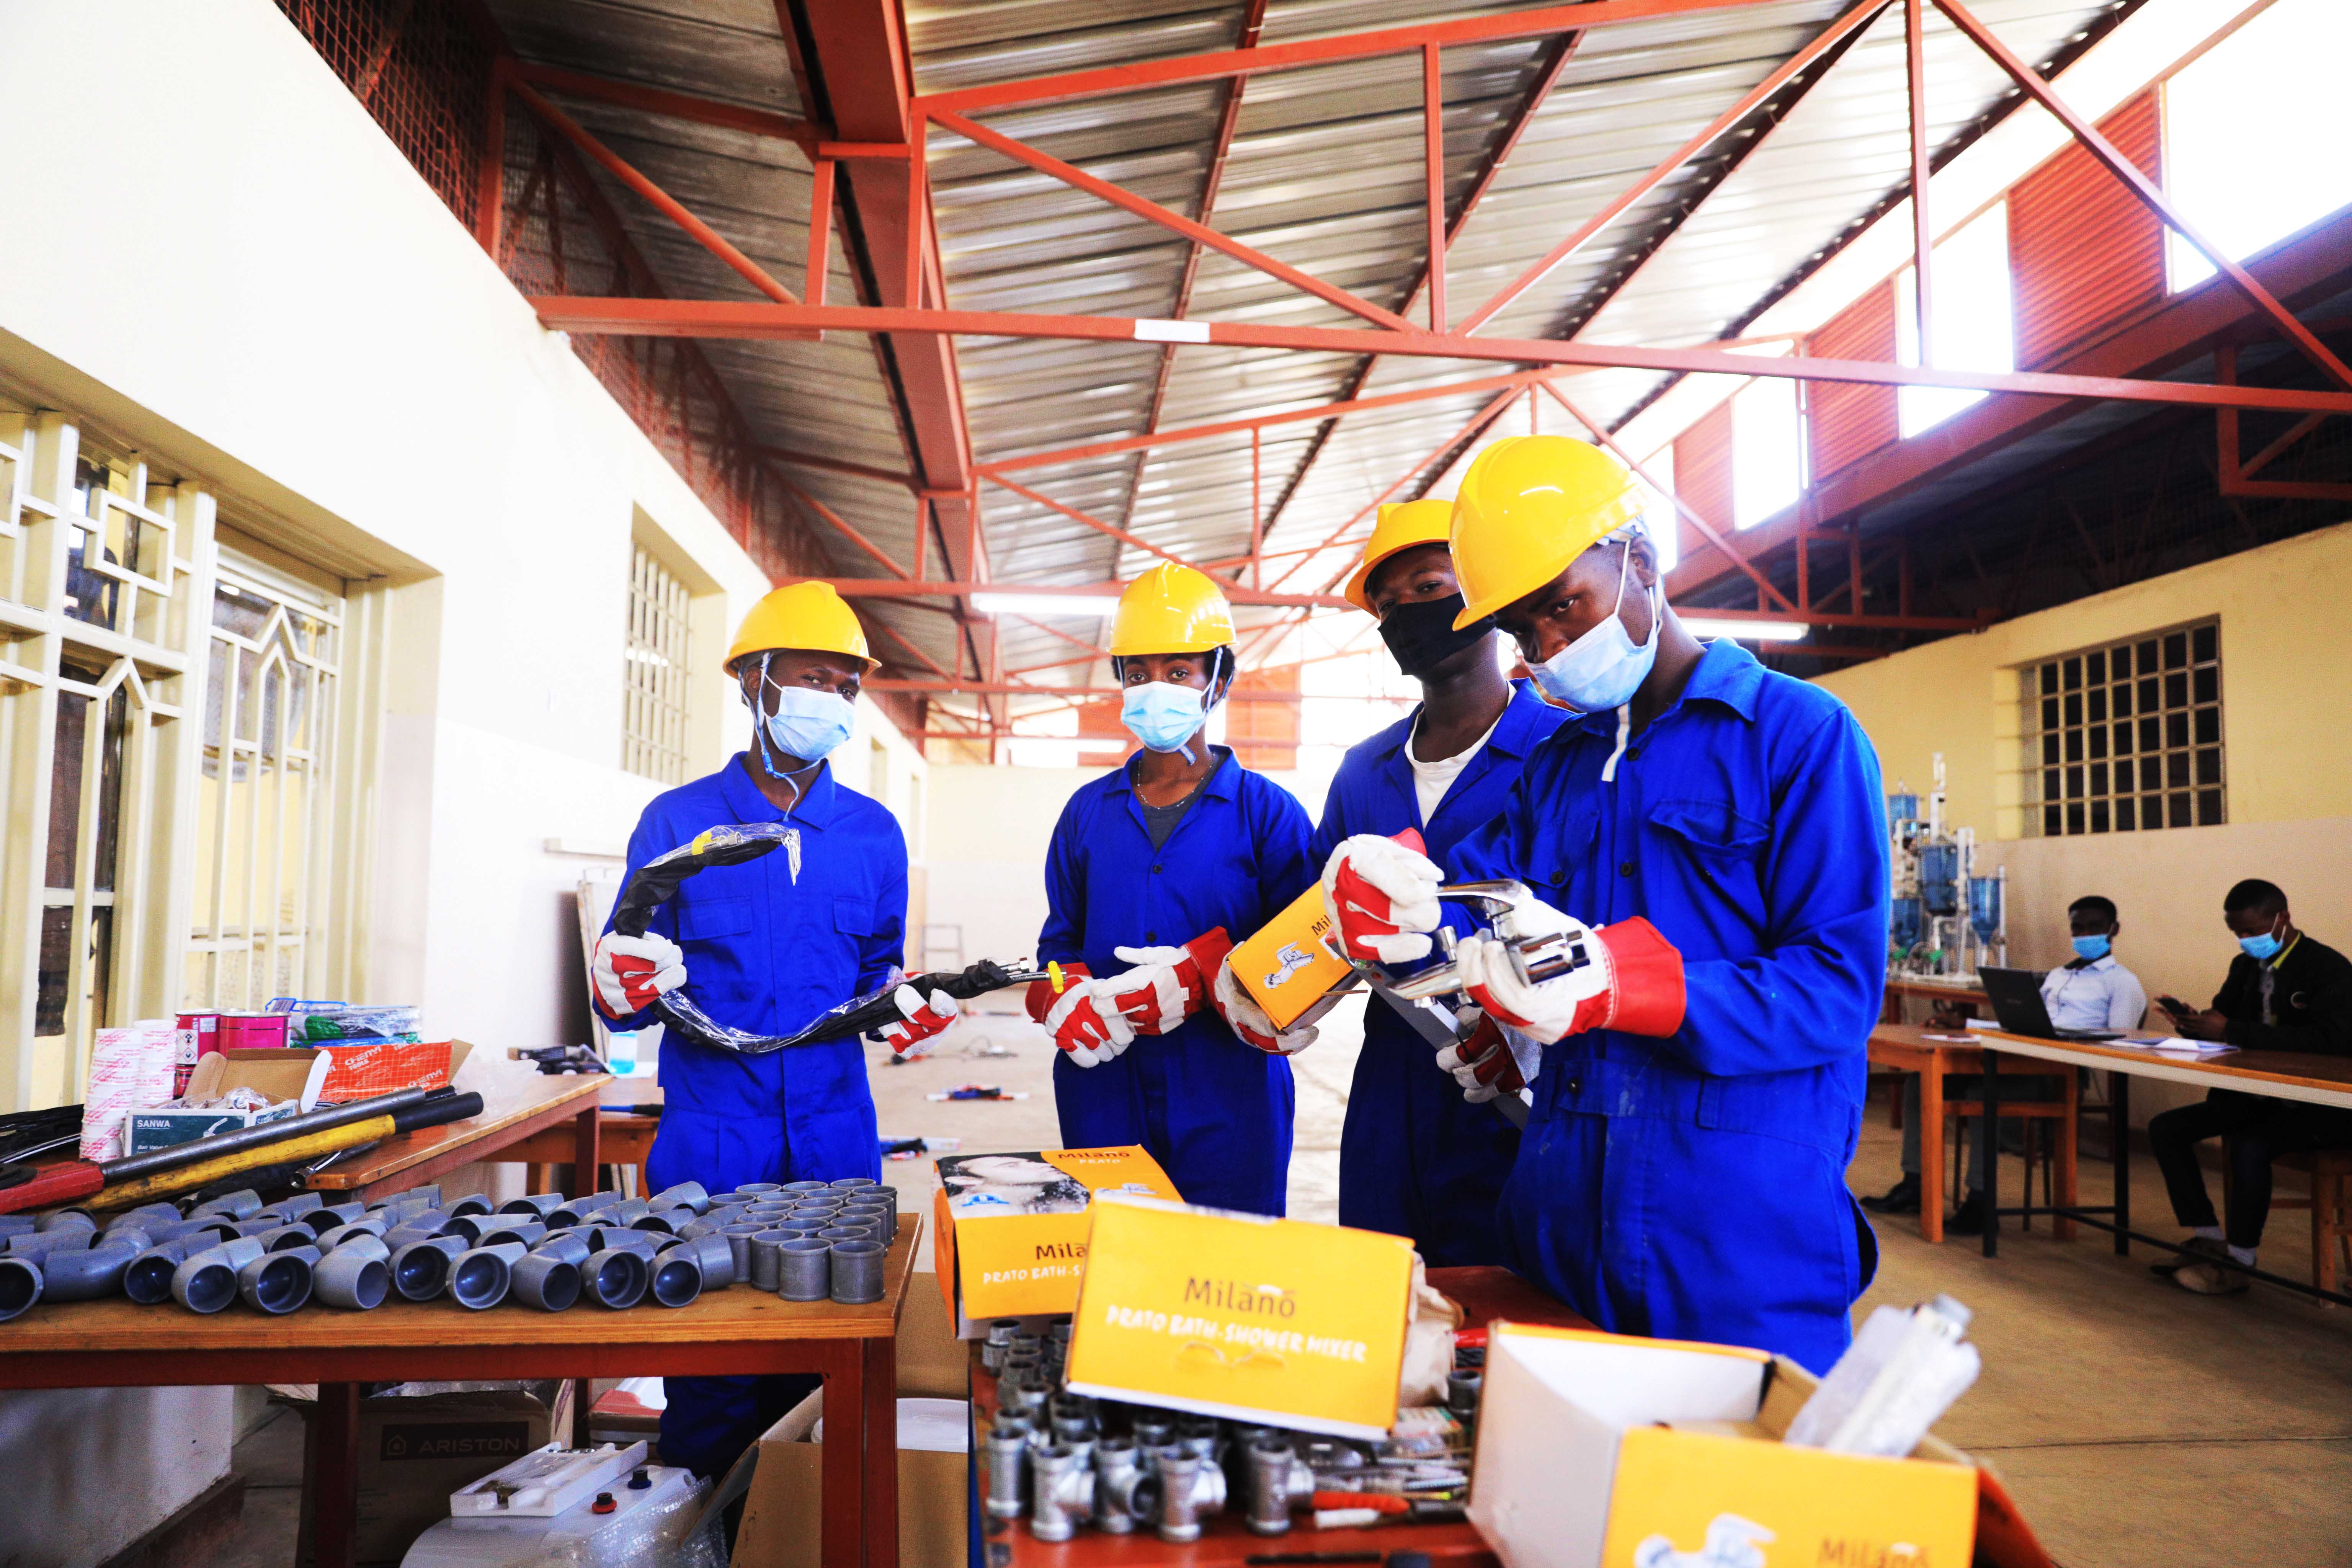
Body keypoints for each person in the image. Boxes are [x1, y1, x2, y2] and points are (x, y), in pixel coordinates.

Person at [1318, 434, 1889, 1373]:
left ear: (1640, 560)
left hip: (1733, 1227)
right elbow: (1477, 913)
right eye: (1520, 629)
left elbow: (1832, 991)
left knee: (1725, 1506)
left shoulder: (1799, 736)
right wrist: (1406, 908)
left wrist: (1621, 988)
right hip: (1558, 1217)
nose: (1544, 648)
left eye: (1560, 608)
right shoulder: (1558, 766)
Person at [588, 581, 956, 1475]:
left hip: (835, 1136)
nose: (828, 700)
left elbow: (876, 972)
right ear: (754, 684)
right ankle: (704, 1524)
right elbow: (626, 990)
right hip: (713, 1136)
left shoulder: (872, 834)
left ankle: (792, 1530)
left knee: (821, 1376)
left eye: (843, 684)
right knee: (711, 1369)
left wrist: (906, 1006)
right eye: (808, 678)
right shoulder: (676, 822)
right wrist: (615, 981)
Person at [1308, 498, 1569, 1264]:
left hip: (1520, 1083)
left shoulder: (1564, 749)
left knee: (1505, 1315)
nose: (1407, 615)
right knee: (1381, 1301)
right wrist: (1274, 994)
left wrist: (1533, 1038)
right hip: (1392, 1081)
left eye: (1427, 587)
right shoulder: (1364, 770)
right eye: (1388, 607)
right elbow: (1320, 918)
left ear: (1482, 590)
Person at [1031, 563, 1318, 1215]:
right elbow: (1054, 947)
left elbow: (1309, 956)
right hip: (1101, 1084)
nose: (1153, 688)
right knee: (1115, 1267)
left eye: (1177, 671)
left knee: (1225, 1268)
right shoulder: (1086, 812)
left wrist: (1205, 974)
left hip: (1228, 1087)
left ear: (1217, 679)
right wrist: (1058, 995)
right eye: (1137, 673)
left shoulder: (1266, 813)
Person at [1864, 894, 2145, 1233]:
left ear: (2114, 929)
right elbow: (2025, 1024)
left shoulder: (2122, 982)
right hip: (2017, 1059)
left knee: (1985, 1095)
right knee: (1920, 1083)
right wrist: (1969, 1026)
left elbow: (2120, 1043)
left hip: (2058, 1073)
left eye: (2094, 927)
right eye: (2078, 927)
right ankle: (1915, 1183)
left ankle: (1981, 1202)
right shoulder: (2058, 975)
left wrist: (2064, 1041)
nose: (2084, 933)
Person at [2146, 879, 2352, 1294]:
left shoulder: (2328, 969)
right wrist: (2196, 1024)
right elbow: (2224, 1018)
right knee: (2166, 1128)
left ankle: (2240, 1263)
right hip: (2257, 1095)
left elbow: (2333, 1043)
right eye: (2237, 934)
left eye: (2253, 932)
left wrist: (2233, 1028)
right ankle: (2207, 1237)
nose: (2246, 941)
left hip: (2316, 1105)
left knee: (2249, 1144)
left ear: (2283, 918)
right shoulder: (2245, 967)